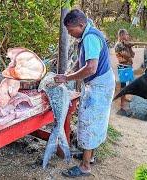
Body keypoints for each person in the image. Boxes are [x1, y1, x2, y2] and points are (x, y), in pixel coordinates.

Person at [54, 9, 115, 177]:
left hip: (99, 86)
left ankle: (85, 166)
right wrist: (67, 73)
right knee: (96, 121)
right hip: (101, 82)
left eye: (70, 30)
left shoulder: (90, 38)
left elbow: (90, 68)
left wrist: (67, 78)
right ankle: (90, 156)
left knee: (89, 122)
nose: (69, 33)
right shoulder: (88, 33)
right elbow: (82, 62)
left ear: (80, 25)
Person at [114, 29, 135, 115]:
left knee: (127, 85)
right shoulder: (119, 45)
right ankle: (122, 106)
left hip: (127, 67)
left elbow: (132, 55)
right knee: (124, 86)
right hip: (123, 67)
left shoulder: (125, 45)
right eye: (126, 34)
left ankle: (124, 98)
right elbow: (127, 56)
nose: (128, 36)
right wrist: (128, 47)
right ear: (122, 35)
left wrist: (129, 47)